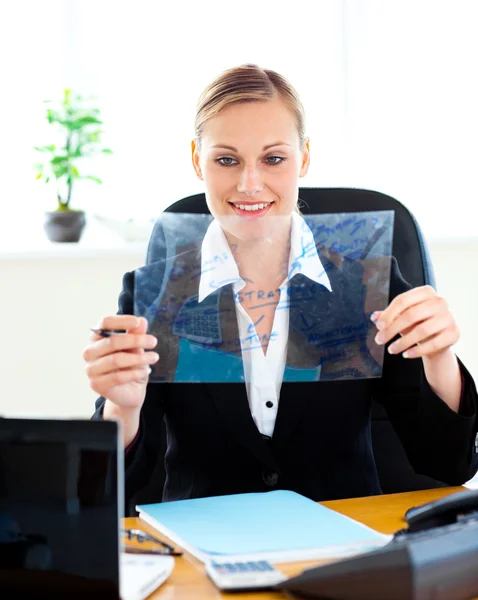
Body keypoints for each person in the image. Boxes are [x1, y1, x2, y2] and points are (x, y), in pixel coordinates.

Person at [85, 64, 478, 505]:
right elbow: (107, 495)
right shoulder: (155, 294)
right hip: (205, 554)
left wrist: (440, 356)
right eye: (226, 159)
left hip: (343, 548)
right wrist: (123, 410)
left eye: (273, 159)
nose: (250, 184)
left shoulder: (367, 286)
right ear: (198, 160)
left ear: (304, 158)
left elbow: (450, 466)